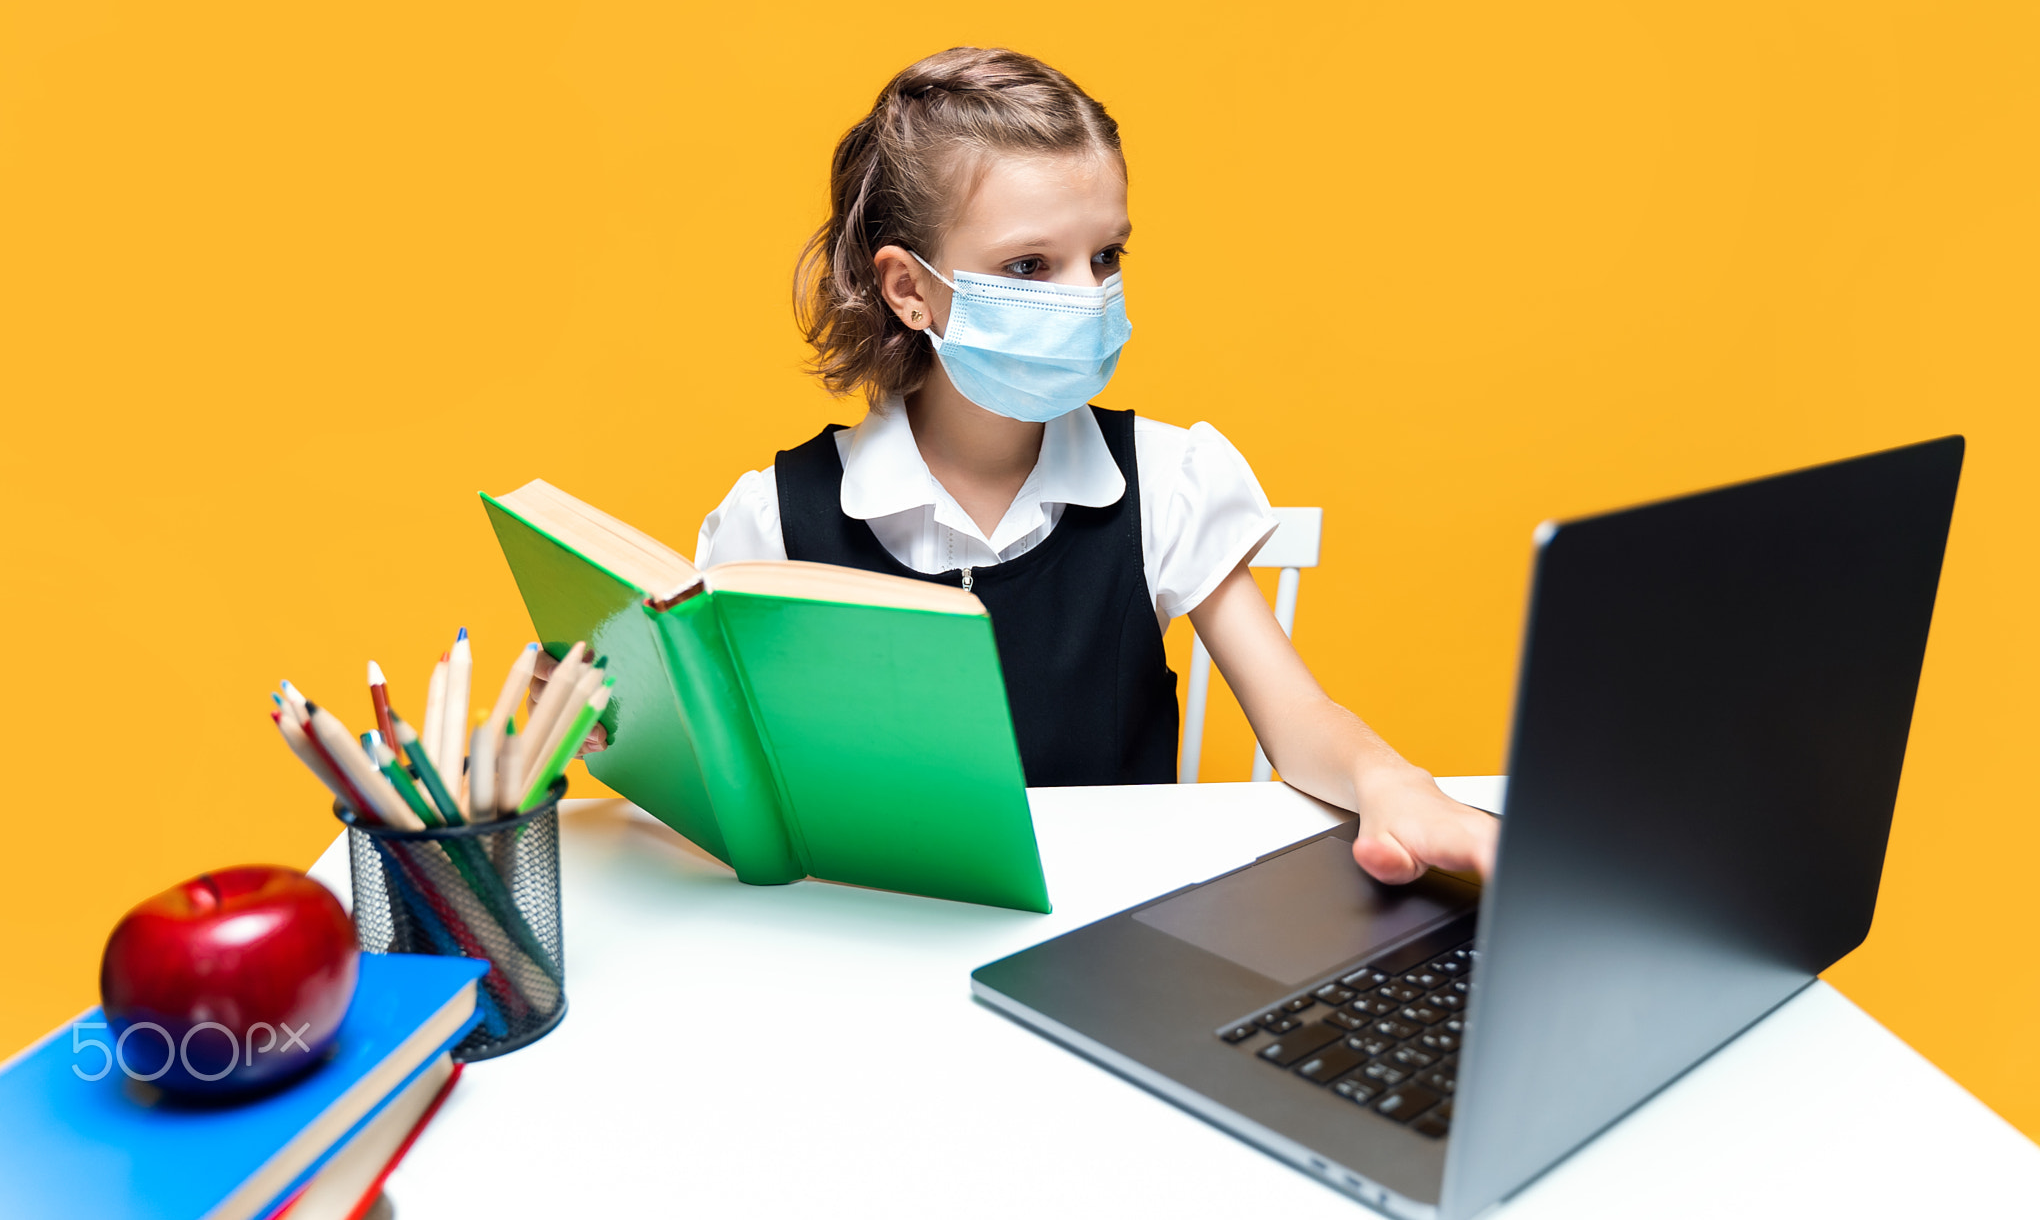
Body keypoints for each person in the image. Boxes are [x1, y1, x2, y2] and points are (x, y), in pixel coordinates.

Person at [545, 46, 1497, 885]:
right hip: (867, 948)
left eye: (1106, 255)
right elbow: (729, 786)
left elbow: (1302, 723)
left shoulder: (1168, 481)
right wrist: (609, 723)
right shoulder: (775, 520)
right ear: (910, 288)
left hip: (1107, 944)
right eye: (1033, 266)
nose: (1089, 296)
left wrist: (1391, 779)